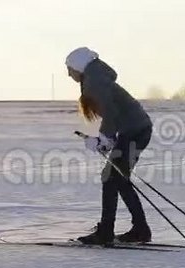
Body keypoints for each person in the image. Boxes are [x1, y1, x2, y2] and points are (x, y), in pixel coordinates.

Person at [65, 47, 154, 245]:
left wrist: (103, 139)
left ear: (79, 66)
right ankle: (137, 229)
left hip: (134, 131)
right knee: (115, 179)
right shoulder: (95, 79)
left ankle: (112, 231)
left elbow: (111, 113)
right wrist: (105, 140)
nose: (68, 73)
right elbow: (113, 114)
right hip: (135, 130)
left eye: (70, 68)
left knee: (113, 178)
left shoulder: (94, 83)